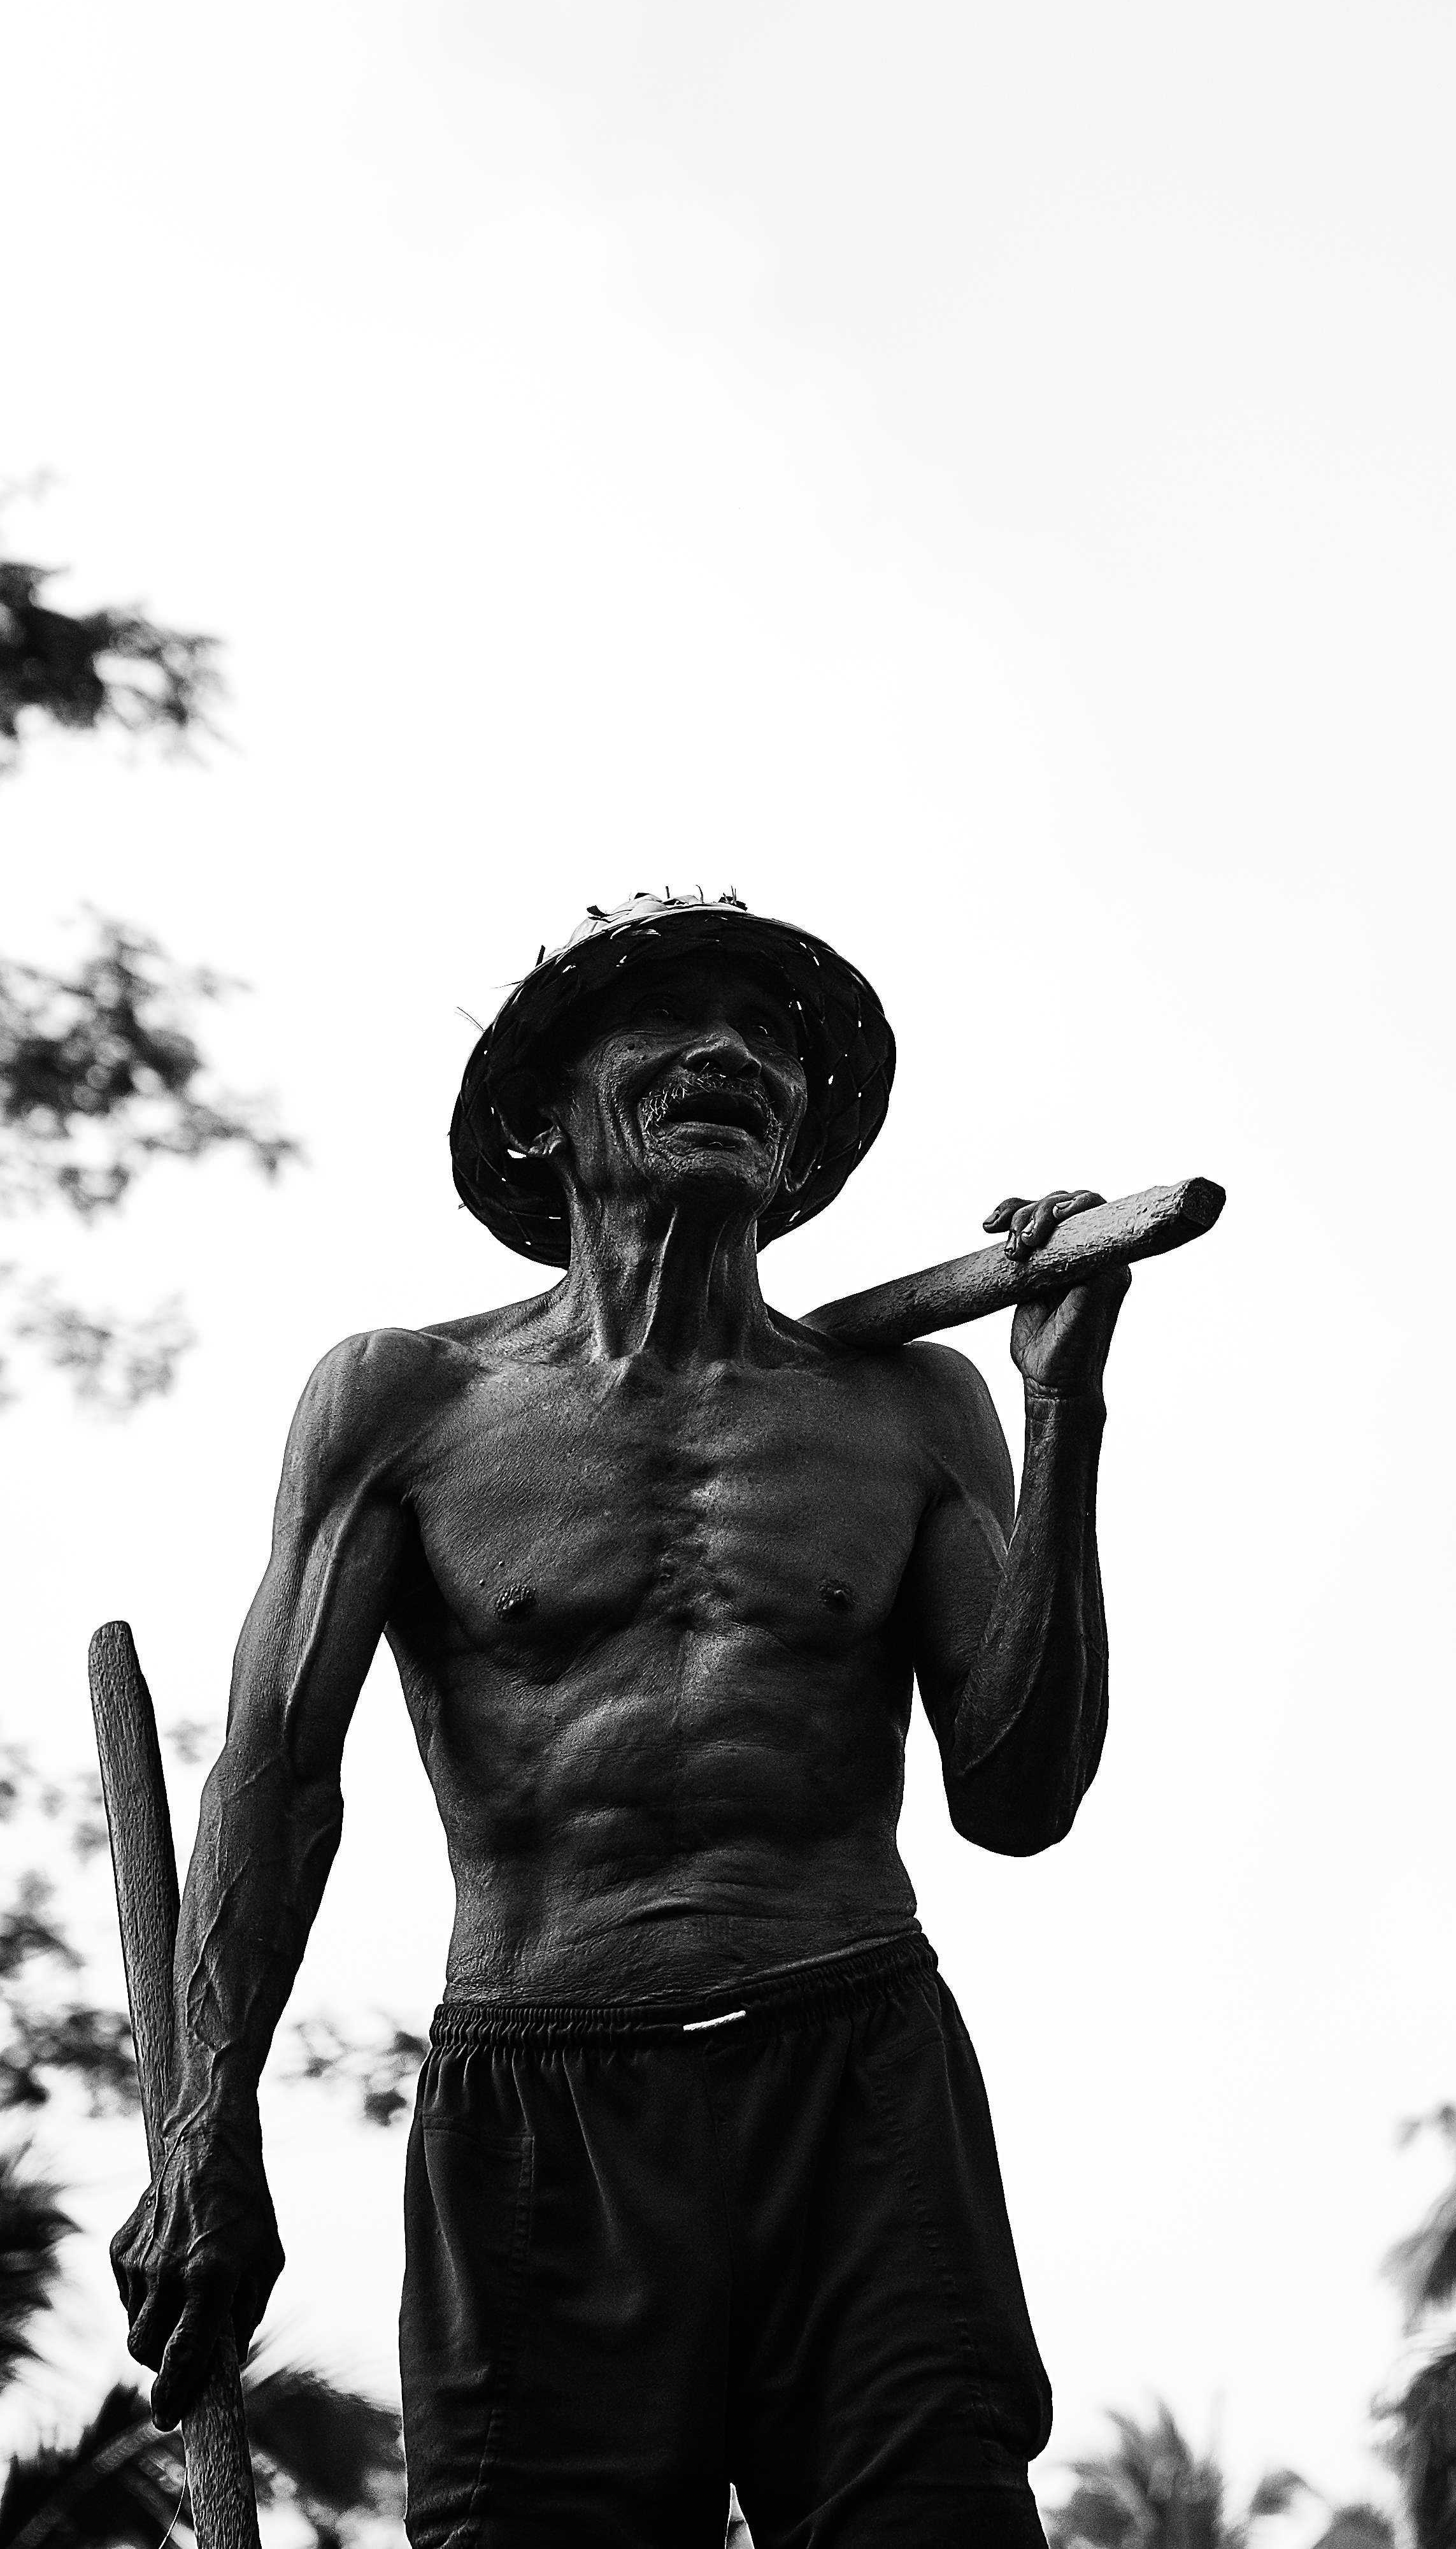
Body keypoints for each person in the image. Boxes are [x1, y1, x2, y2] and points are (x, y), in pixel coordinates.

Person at [113, 893, 1133, 2548]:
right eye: (673, 1019)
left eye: (769, 1035)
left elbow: (1019, 1799)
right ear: (540, 1115)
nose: (732, 1052)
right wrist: (202, 2136)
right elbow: (279, 1776)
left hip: (859, 2085)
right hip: (545, 2113)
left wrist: (1061, 1399)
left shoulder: (912, 1407)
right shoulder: (406, 1402)